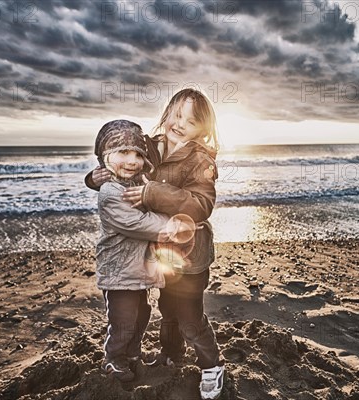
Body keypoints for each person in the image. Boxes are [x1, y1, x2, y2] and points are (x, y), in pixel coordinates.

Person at [85, 88, 224, 400]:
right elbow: (119, 156)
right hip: (158, 250)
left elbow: (201, 205)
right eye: (176, 115)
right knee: (166, 308)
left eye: (190, 120)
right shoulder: (148, 145)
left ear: (203, 128)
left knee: (188, 315)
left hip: (191, 251)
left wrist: (153, 194)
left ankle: (212, 365)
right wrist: (94, 179)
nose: (180, 124)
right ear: (168, 113)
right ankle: (172, 354)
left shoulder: (201, 160)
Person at [91, 119, 185, 383]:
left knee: (141, 314)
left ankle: (132, 353)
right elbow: (137, 223)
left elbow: (151, 203)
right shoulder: (110, 192)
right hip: (120, 271)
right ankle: (113, 358)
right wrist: (171, 225)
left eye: (138, 155)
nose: (132, 160)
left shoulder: (135, 183)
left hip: (137, 269)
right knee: (123, 320)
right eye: (122, 153)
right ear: (105, 158)